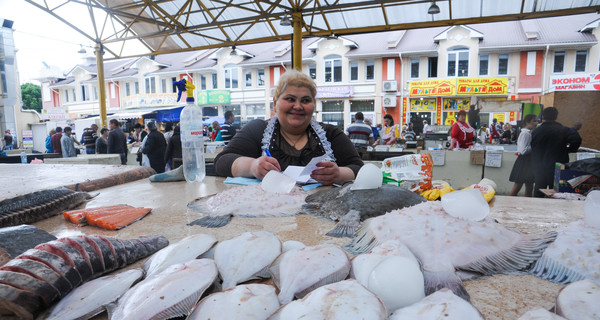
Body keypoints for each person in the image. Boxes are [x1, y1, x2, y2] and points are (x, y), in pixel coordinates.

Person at [214, 69, 363, 185]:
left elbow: (359, 168)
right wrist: (252, 166)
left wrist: (340, 174)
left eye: (305, 100)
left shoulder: (330, 134)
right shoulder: (257, 129)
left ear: (313, 106)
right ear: (275, 103)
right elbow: (221, 162)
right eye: (290, 99)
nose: (297, 106)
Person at [531, 107, 581, 197]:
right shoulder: (563, 130)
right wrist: (569, 150)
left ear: (543, 116)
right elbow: (576, 139)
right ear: (556, 116)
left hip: (539, 166)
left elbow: (532, 147)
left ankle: (536, 208)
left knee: (538, 190)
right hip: (558, 167)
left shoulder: (536, 131)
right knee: (557, 193)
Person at [509, 114, 539, 197]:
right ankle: (508, 203)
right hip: (524, 161)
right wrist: (535, 146)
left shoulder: (529, 132)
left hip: (528, 161)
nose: (536, 123)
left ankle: (527, 204)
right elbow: (523, 150)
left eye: (537, 121)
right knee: (518, 185)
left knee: (529, 186)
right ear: (527, 122)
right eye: (534, 121)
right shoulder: (525, 133)